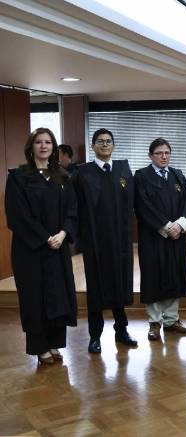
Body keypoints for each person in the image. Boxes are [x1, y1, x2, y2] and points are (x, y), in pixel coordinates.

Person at [5, 128, 77, 364]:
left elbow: (72, 211)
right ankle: (39, 347)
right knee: (35, 298)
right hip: (31, 250)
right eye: (39, 142)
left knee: (59, 296)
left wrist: (63, 234)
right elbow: (17, 216)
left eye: (48, 142)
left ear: (53, 147)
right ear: (31, 146)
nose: (43, 146)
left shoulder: (63, 177)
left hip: (58, 246)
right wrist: (45, 238)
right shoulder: (18, 177)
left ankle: (55, 343)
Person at [72, 128, 137, 354]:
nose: (105, 144)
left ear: (114, 145)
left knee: (119, 284)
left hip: (120, 240)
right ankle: (95, 335)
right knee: (97, 288)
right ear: (93, 146)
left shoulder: (123, 170)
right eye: (100, 141)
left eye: (109, 141)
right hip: (95, 242)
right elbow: (75, 207)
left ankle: (122, 330)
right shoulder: (82, 174)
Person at [134, 138, 186, 341]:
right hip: (153, 236)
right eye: (159, 153)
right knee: (154, 276)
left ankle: (171, 320)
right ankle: (154, 322)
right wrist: (167, 226)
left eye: (167, 152)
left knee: (174, 275)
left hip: (176, 236)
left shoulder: (177, 174)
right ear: (151, 155)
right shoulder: (141, 176)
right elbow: (142, 206)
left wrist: (181, 224)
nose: (164, 156)